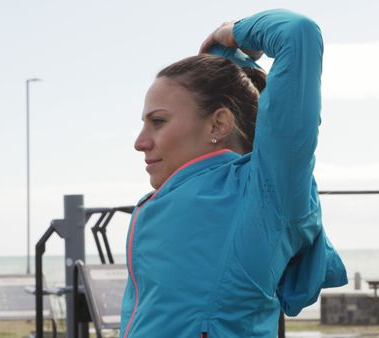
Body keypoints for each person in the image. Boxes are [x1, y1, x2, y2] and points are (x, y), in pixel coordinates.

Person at [121, 9, 347, 338]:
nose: (140, 142)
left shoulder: (263, 194)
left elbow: (298, 33)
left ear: (219, 124)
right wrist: (229, 62)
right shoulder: (157, 204)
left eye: (158, 122)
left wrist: (232, 34)